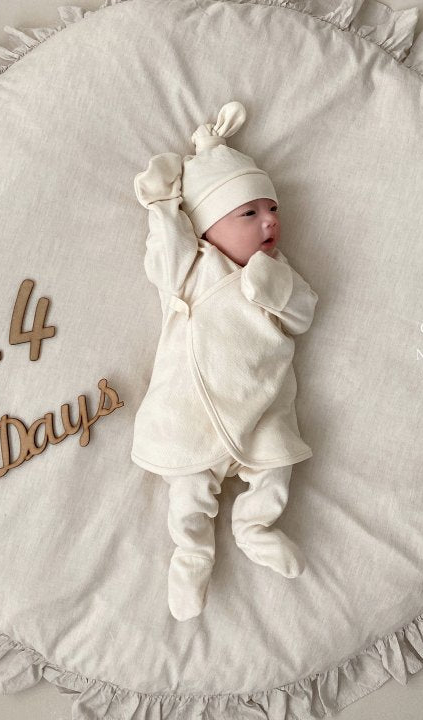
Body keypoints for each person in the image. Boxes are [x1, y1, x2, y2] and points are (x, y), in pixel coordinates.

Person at [132, 100, 318, 621]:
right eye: (249, 213)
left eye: (272, 209)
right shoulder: (190, 269)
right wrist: (164, 207)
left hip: (262, 407)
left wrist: (276, 289)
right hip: (194, 408)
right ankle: (192, 551)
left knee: (278, 466)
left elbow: (303, 316)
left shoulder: (278, 271)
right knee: (189, 489)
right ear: (208, 228)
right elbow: (163, 255)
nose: (269, 221)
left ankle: (256, 525)